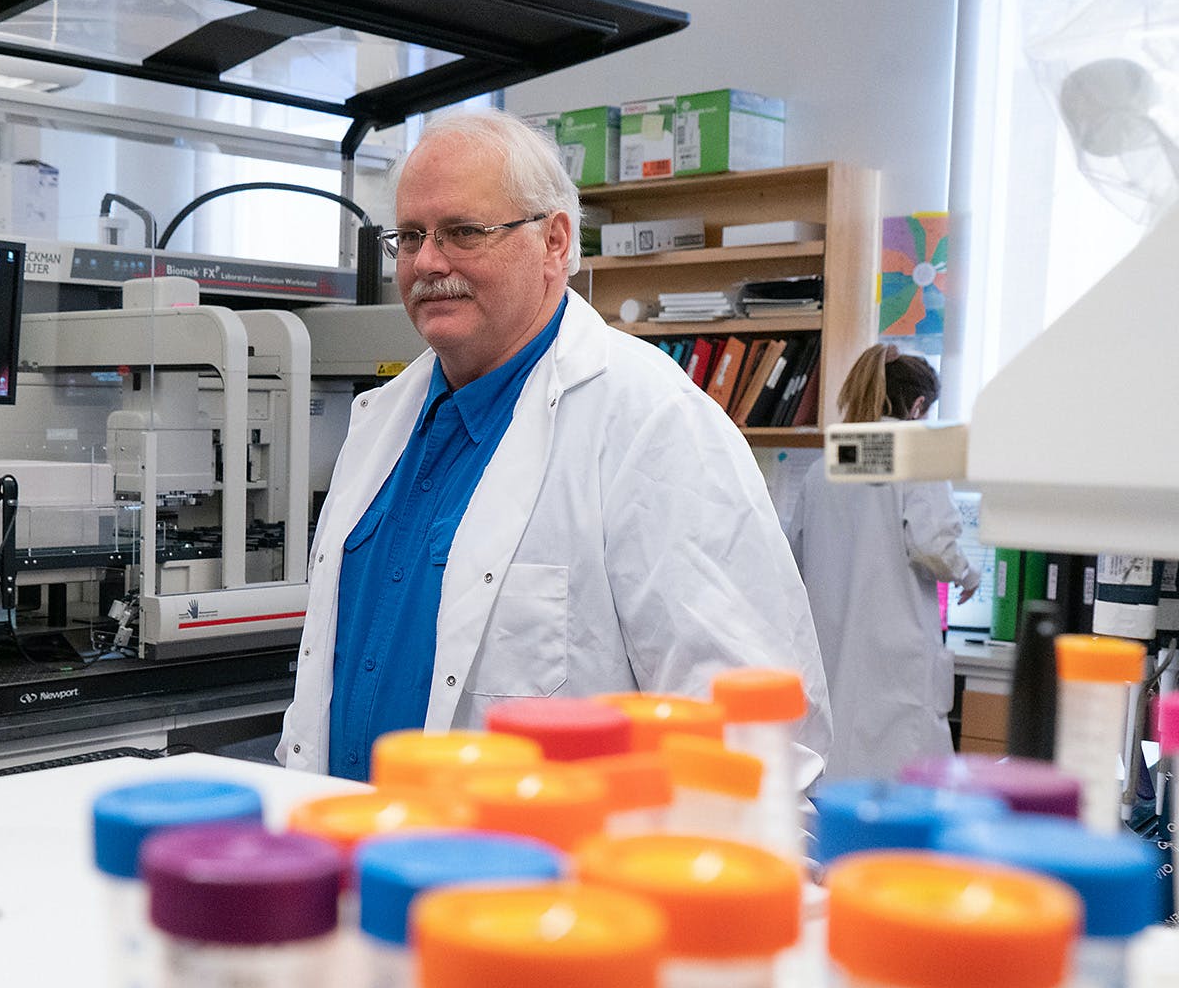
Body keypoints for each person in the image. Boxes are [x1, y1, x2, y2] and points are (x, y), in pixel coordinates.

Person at [277, 109, 830, 779]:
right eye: (412, 236)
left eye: (463, 233)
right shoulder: (381, 423)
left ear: (554, 241)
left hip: (539, 875)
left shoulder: (653, 423)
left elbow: (749, 733)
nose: (427, 262)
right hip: (354, 860)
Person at [784, 344, 979, 782]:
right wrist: (968, 572)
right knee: (903, 795)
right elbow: (934, 546)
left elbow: (794, 557)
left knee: (840, 791)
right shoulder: (913, 458)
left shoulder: (826, 467)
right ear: (918, 405)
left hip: (834, 665)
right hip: (896, 668)